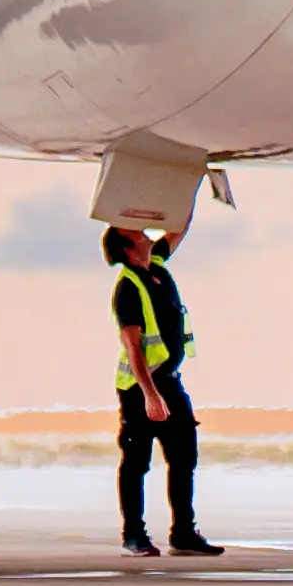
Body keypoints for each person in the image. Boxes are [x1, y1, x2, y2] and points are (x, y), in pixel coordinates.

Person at [107, 217, 219, 558]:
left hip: (170, 382)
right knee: (137, 461)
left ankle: (183, 532)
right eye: (137, 234)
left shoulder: (155, 264)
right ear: (127, 248)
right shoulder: (128, 287)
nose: (145, 235)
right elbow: (133, 346)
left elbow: (178, 229)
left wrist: (195, 181)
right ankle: (133, 536)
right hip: (140, 388)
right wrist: (150, 395)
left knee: (184, 456)